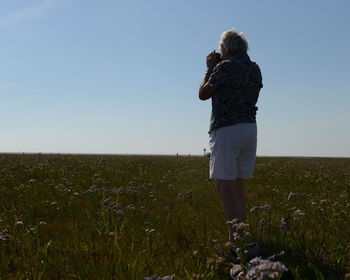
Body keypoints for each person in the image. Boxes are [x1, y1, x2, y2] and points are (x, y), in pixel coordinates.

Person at [198, 30, 263, 243]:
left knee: (225, 186)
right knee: (238, 185)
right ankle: (243, 235)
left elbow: (203, 94)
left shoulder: (224, 67)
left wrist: (209, 69)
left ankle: (236, 242)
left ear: (225, 49)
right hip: (249, 129)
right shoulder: (255, 69)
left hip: (227, 129)